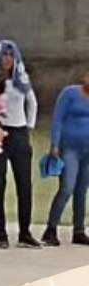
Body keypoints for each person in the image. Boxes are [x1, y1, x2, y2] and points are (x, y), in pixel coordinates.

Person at [0, 39, 41, 248]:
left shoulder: (21, 78)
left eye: (11, 55)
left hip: (19, 131)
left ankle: (25, 231)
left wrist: (29, 127)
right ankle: (1, 233)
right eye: (4, 55)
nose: (7, 59)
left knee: (24, 183)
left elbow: (31, 102)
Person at [44, 68, 89, 247]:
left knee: (82, 190)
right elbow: (58, 119)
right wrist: (55, 143)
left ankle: (78, 229)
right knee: (67, 187)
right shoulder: (70, 93)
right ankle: (51, 228)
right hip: (69, 148)